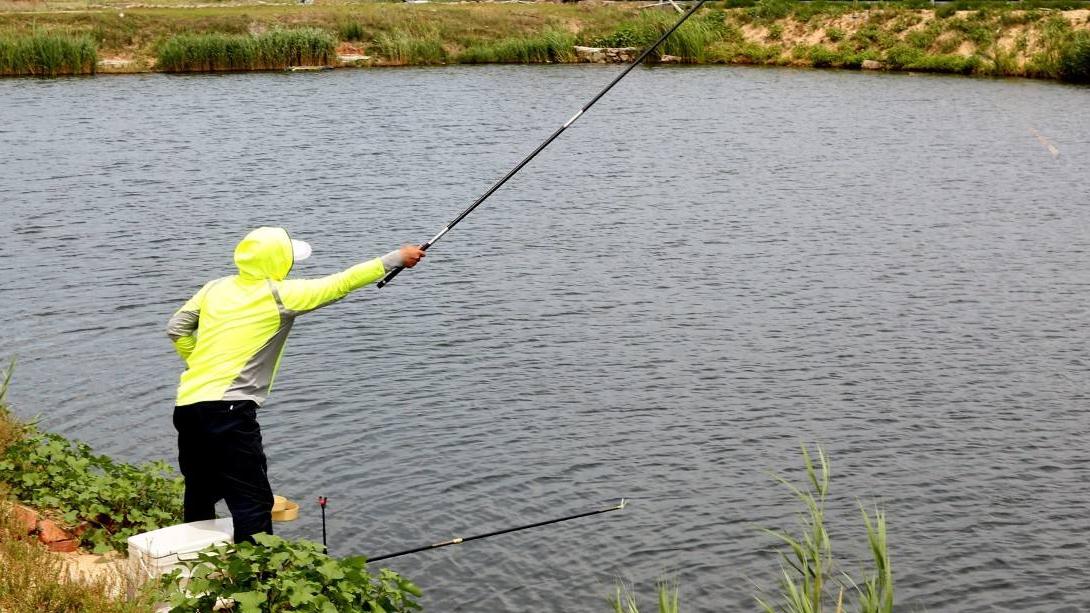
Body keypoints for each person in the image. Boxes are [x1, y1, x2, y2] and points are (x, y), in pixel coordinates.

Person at [166, 226, 425, 544]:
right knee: (253, 502)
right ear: (278, 262)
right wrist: (396, 258)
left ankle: (190, 561)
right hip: (229, 412)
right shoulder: (280, 295)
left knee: (202, 489)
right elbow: (341, 283)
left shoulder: (214, 288)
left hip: (188, 407)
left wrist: (197, 362)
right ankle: (256, 582)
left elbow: (177, 327)